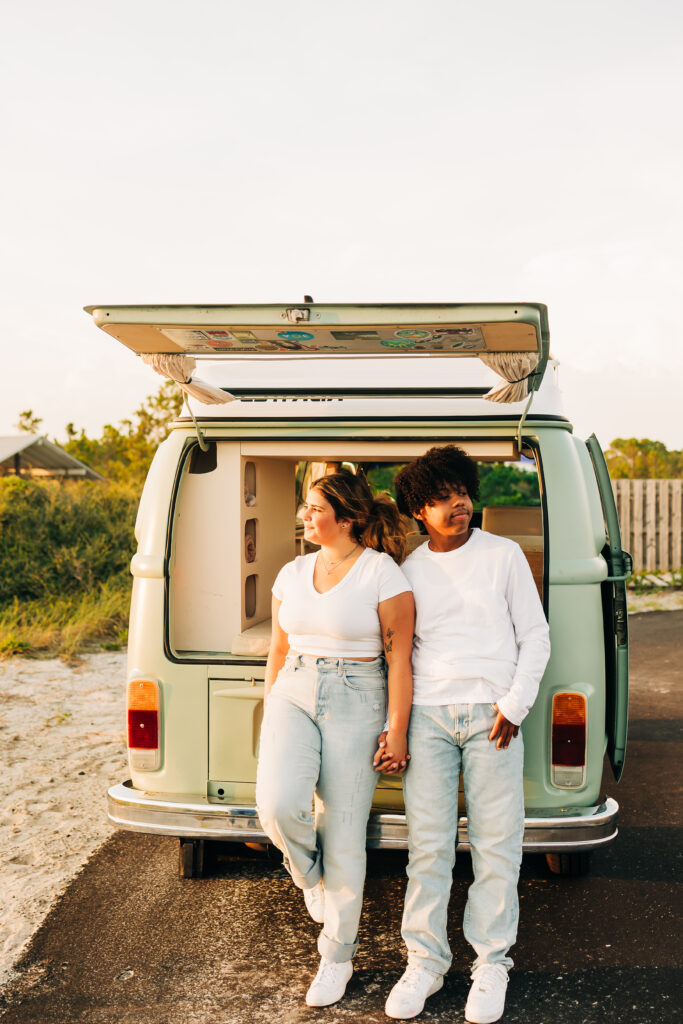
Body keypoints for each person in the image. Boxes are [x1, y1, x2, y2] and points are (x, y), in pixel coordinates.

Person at [376, 445, 550, 1024]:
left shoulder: (503, 556)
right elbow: (398, 653)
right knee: (428, 849)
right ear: (418, 510)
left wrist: (515, 705)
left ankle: (491, 963)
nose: (460, 505)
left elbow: (535, 636)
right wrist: (395, 727)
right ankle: (425, 962)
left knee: (497, 846)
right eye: (443, 498)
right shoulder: (409, 570)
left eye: (463, 494)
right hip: (427, 717)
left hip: (492, 718)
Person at [256, 470, 414, 1008]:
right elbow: (277, 649)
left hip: (359, 692)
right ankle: (307, 875)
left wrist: (396, 729)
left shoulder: (382, 575)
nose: (304, 515)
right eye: (305, 506)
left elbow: (399, 658)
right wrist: (271, 706)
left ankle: (336, 957)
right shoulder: (291, 572)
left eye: (314, 508)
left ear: (345, 519)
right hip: (294, 688)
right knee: (276, 805)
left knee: (345, 834)